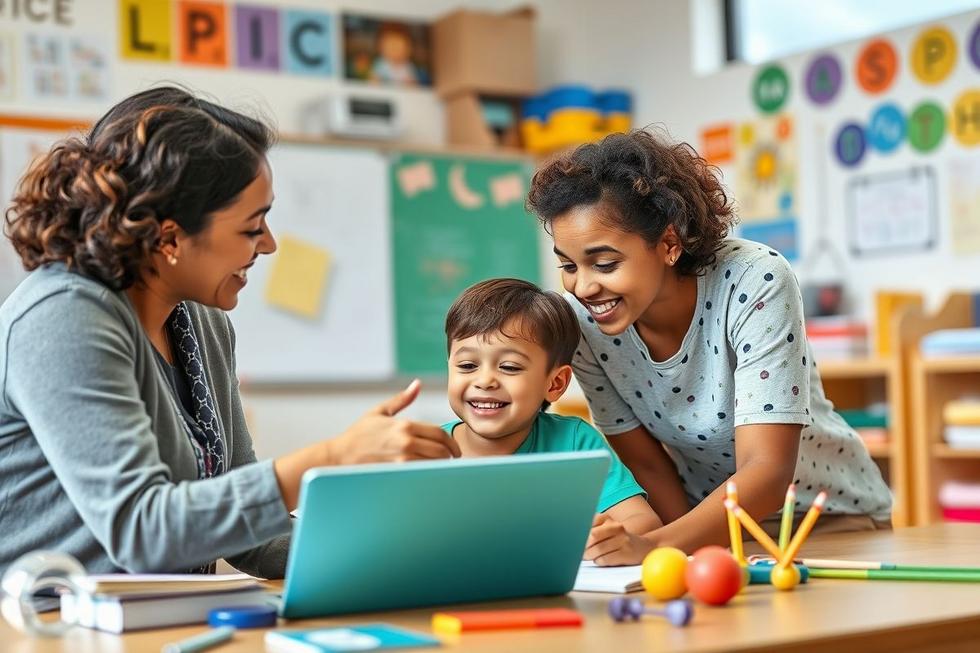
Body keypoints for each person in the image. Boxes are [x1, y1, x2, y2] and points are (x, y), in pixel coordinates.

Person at [0, 86, 459, 578]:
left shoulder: (205, 323)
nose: (270, 244)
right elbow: (142, 531)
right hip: (45, 626)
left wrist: (405, 543)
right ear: (169, 236)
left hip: (161, 620)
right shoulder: (63, 318)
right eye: (251, 227)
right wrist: (334, 457)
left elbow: (251, 537)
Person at [525, 129, 892, 560]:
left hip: (827, 521)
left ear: (668, 244)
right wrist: (674, 553)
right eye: (568, 265)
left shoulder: (755, 279)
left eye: (604, 263)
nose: (582, 286)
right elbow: (647, 465)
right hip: (708, 529)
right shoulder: (583, 324)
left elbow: (768, 471)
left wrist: (653, 547)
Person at [442, 278, 662, 564]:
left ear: (555, 383)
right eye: (467, 366)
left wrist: (603, 540)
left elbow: (643, 523)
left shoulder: (574, 443)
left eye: (509, 367)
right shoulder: (424, 453)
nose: (484, 381)